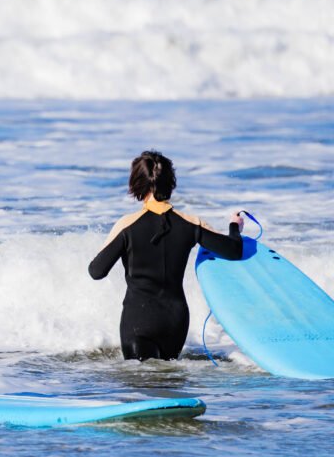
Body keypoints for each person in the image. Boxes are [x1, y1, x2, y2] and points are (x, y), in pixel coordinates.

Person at [88, 150, 244, 361]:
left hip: (139, 321)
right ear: (170, 183)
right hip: (175, 323)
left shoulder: (127, 225)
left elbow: (96, 271)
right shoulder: (191, 223)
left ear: (137, 182)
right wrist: (234, 226)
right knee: (169, 384)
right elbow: (234, 251)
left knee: (141, 385)